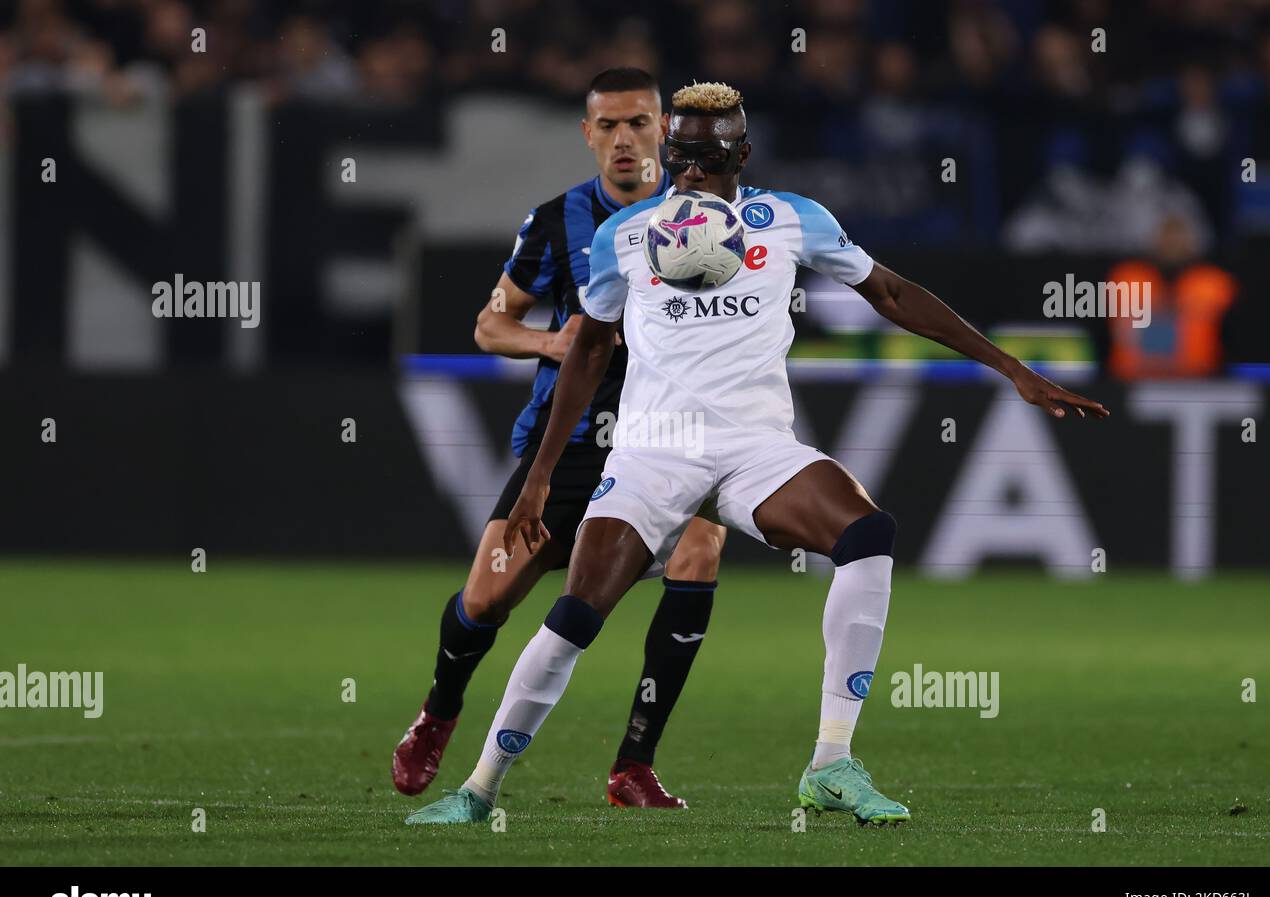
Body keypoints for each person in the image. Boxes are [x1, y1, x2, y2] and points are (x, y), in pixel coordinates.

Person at [406, 80, 1107, 828]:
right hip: (653, 451)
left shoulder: (794, 220)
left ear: (741, 153)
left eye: (707, 158)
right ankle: (479, 789)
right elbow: (589, 346)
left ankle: (830, 764)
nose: (691, 175)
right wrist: (540, 475)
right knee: (577, 615)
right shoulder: (626, 237)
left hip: (754, 447)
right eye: (679, 157)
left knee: (868, 535)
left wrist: (1012, 368)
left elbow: (893, 294)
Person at [392, 68, 727, 810]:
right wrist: (554, 346)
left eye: (639, 123)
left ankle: (633, 763)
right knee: (485, 600)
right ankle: (440, 711)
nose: (624, 140)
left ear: (664, 132)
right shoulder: (557, 222)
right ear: (587, 135)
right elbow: (490, 324)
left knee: (702, 547)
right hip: (569, 444)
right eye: (607, 126)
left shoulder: (703, 220)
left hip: (664, 441)